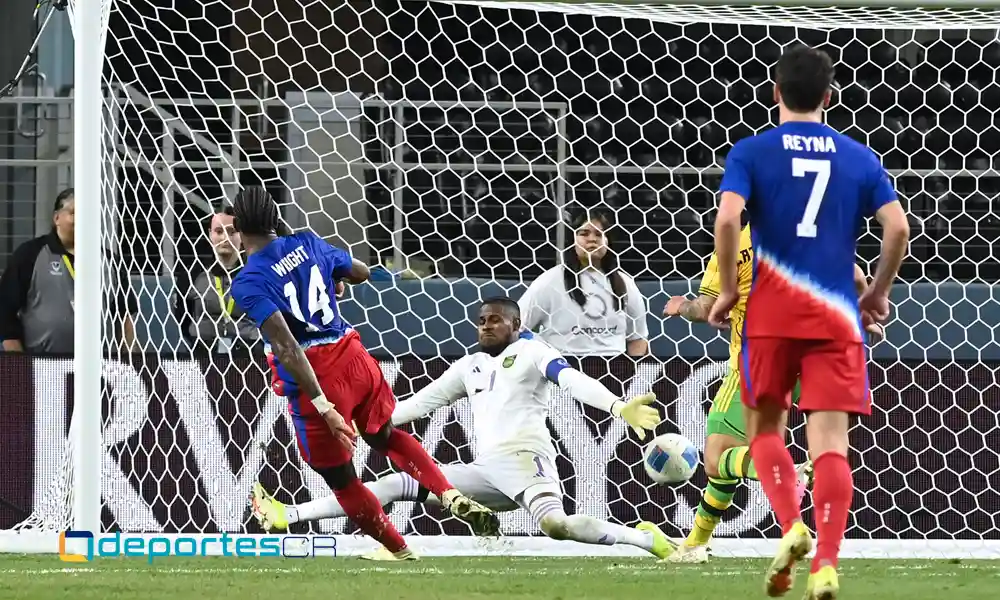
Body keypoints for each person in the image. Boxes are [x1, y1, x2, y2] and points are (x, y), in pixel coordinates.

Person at [707, 46, 908, 599]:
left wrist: (727, 289)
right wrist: (878, 295)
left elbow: (728, 219)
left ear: (774, 92)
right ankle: (825, 561)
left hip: (771, 318)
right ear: (829, 96)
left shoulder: (751, 151)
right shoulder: (859, 156)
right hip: (836, 319)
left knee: (765, 432)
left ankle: (791, 525)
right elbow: (897, 228)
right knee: (831, 447)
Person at [251, 297, 671, 560]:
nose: (487, 325)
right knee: (395, 484)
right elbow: (417, 405)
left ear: (516, 326)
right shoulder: (468, 366)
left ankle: (644, 539)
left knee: (557, 527)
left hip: (527, 462)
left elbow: (570, 378)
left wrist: (618, 407)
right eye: (482, 320)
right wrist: (360, 423)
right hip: (485, 472)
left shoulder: (531, 350)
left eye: (496, 320)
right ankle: (290, 514)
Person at [228, 186, 499, 560]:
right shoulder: (307, 242)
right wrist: (327, 273)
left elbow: (287, 346)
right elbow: (361, 272)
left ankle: (400, 550)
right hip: (354, 357)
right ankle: (447, 493)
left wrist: (324, 405)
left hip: (316, 375)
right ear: (277, 217)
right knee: (386, 435)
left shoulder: (247, 282)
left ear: (238, 227)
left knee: (342, 479)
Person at [663, 226, 883, 564]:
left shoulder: (735, 242)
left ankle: (787, 472)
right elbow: (853, 276)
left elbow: (706, 310)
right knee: (735, 460)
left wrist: (682, 306)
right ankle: (695, 545)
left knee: (716, 456)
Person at [0, 188, 137, 354]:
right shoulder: (30, 254)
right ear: (56, 218)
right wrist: (17, 364)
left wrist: (130, 359)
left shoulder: (109, 260)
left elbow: (125, 316)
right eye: (74, 213)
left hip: (99, 366)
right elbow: (5, 311)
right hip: (42, 366)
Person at [519, 209, 648, 357]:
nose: (592, 239)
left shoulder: (625, 283)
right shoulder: (548, 282)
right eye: (584, 233)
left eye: (599, 234)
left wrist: (636, 377)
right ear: (572, 240)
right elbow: (517, 327)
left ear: (608, 242)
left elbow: (637, 339)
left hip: (615, 371)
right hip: (564, 369)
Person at [176, 207, 261, 354]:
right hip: (203, 352)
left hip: (251, 354)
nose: (225, 238)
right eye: (219, 232)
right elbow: (182, 318)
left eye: (232, 232)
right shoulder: (192, 275)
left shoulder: (259, 276)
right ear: (210, 234)